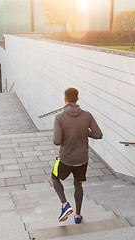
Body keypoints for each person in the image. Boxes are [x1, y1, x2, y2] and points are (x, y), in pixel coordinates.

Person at [52, 87, 103, 224]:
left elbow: (57, 141)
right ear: (77, 98)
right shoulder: (87, 115)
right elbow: (98, 134)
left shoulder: (59, 117)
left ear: (65, 99)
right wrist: (86, 132)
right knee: (78, 184)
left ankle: (65, 205)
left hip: (65, 159)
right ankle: (78, 215)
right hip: (82, 160)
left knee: (54, 177)